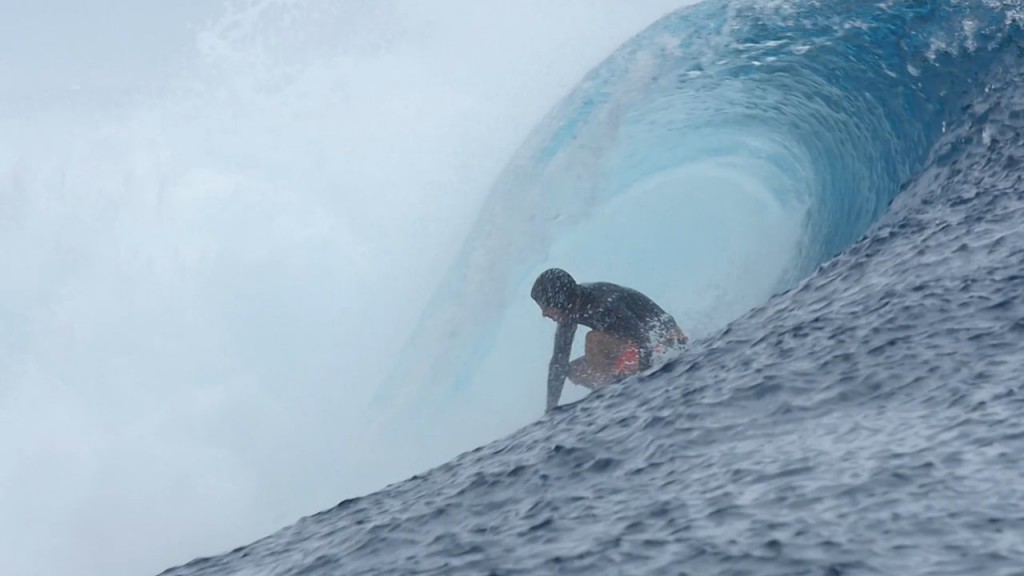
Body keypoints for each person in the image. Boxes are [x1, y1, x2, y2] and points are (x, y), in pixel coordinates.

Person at [531, 268, 688, 412]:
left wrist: (644, 384)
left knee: (594, 340)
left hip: (662, 340)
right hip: (632, 344)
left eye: (546, 305)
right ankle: (612, 386)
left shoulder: (603, 302)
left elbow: (643, 338)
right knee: (572, 370)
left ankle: (613, 399)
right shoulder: (571, 309)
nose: (544, 313)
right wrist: (550, 410)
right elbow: (559, 361)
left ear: (561, 299)